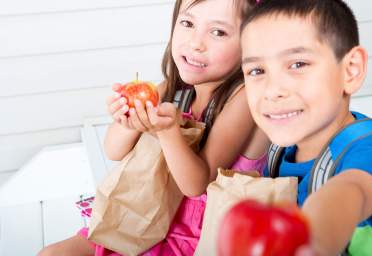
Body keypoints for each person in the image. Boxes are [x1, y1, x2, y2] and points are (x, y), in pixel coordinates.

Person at [38, 0, 269, 255]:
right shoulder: (175, 90)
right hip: (146, 220)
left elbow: (195, 185)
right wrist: (127, 117)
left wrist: (168, 132)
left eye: (218, 32)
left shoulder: (244, 99)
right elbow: (113, 150)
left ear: (252, 42)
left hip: (200, 240)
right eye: (188, 23)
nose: (195, 42)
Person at [240, 0, 372, 255]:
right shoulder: (277, 150)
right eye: (257, 70)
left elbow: (350, 192)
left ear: (350, 70)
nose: (273, 91)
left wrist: (312, 242)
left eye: (298, 64)